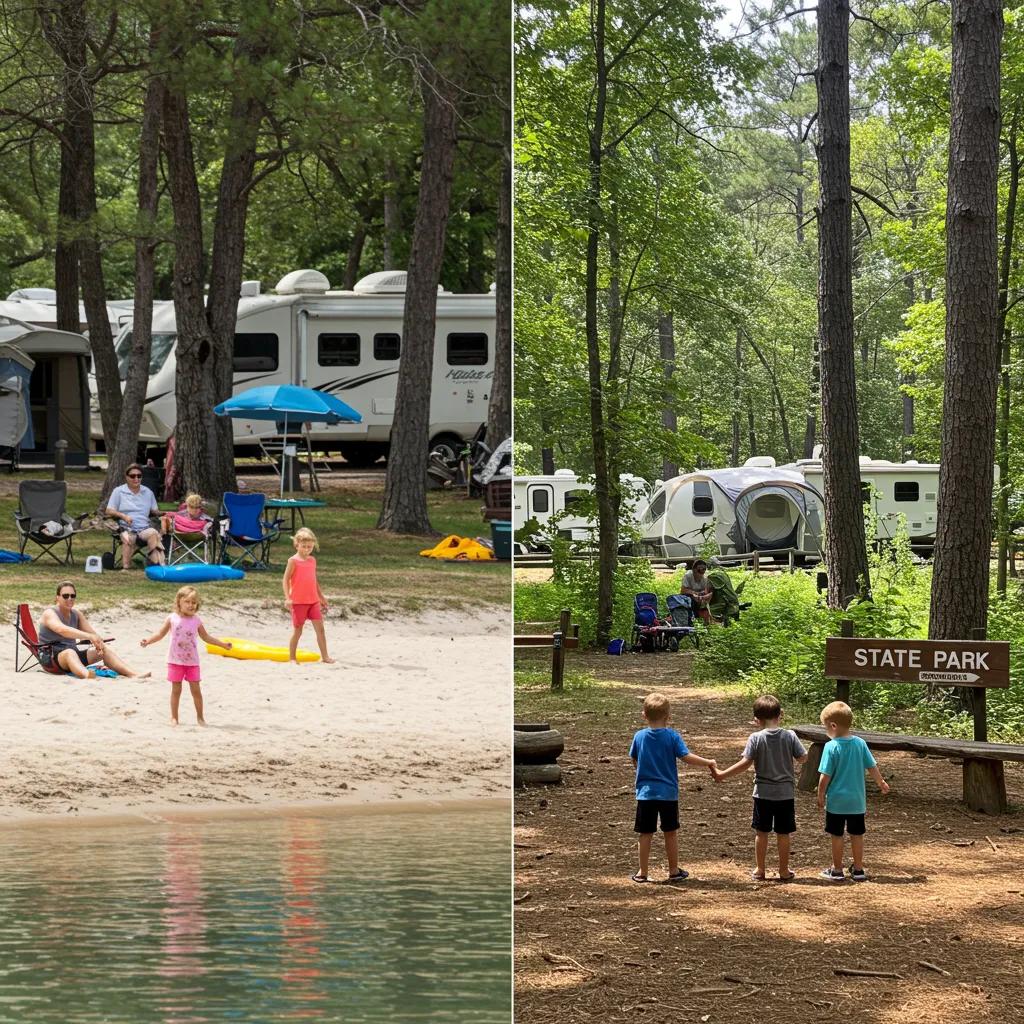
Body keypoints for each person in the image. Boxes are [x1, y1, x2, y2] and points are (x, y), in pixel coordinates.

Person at [711, 694, 808, 881]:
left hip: (762, 794)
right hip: (785, 794)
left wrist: (722, 774)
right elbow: (803, 758)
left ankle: (760, 869)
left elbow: (745, 763)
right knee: (783, 833)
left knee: (761, 832)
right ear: (780, 714)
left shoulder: (755, 738)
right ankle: (784, 870)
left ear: (757, 720)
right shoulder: (790, 736)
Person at [629, 692, 717, 883]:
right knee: (670, 832)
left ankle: (642, 872)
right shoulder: (672, 736)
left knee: (645, 833)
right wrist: (708, 762)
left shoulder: (639, 736)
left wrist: (642, 773)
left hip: (645, 794)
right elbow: (686, 756)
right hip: (668, 794)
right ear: (668, 716)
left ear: (644, 715)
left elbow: (634, 758)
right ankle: (673, 870)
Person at [816, 700, 891, 882]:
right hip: (857, 801)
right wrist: (881, 782)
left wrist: (820, 794)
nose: (826, 731)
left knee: (837, 835)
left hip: (837, 802)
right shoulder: (860, 743)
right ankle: (858, 870)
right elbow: (871, 766)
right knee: (857, 835)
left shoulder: (831, 747)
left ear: (833, 726)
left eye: (825, 727)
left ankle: (837, 870)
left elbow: (825, 776)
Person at [140, 585, 233, 725]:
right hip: (175, 661)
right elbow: (160, 634)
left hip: (192, 662)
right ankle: (174, 718)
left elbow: (206, 637)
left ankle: (200, 718)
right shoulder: (172, 618)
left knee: (196, 691)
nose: (191, 605)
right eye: (187, 602)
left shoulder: (196, 620)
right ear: (179, 602)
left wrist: (223, 645)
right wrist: (148, 641)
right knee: (176, 690)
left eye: (194, 602)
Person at [38, 581, 151, 679]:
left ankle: (133, 674)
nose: (70, 599)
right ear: (57, 597)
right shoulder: (49, 613)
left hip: (72, 654)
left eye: (73, 596)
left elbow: (92, 634)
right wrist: (89, 637)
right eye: (65, 596)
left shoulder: (76, 614)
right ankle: (87, 675)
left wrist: (98, 642)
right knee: (70, 653)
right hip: (50, 658)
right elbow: (62, 630)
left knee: (103, 650)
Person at [282, 527, 334, 664]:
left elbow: (313, 580)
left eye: (309, 547)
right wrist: (287, 598)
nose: (306, 549)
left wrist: (321, 597)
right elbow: (285, 580)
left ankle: (325, 657)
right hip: (298, 602)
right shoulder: (292, 561)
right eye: (304, 546)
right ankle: (292, 658)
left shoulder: (312, 560)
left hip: (313, 601)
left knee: (320, 630)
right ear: (297, 545)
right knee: (298, 631)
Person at [106, 463, 165, 569]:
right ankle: (126, 567)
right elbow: (109, 510)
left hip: (144, 528)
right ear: (126, 477)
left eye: (139, 476)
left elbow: (154, 511)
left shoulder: (148, 492)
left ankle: (156, 565)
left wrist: (166, 514)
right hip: (126, 528)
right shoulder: (119, 491)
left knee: (153, 533)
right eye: (132, 476)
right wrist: (123, 516)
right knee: (127, 537)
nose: (136, 479)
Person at [681, 559, 713, 625]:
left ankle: (708, 622)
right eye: (700, 569)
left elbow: (708, 591)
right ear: (694, 569)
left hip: (701, 597)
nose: (702, 572)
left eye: (704, 569)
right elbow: (683, 590)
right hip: (689, 596)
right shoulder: (688, 576)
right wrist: (695, 594)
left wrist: (703, 596)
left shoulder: (706, 577)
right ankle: (691, 620)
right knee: (691, 601)